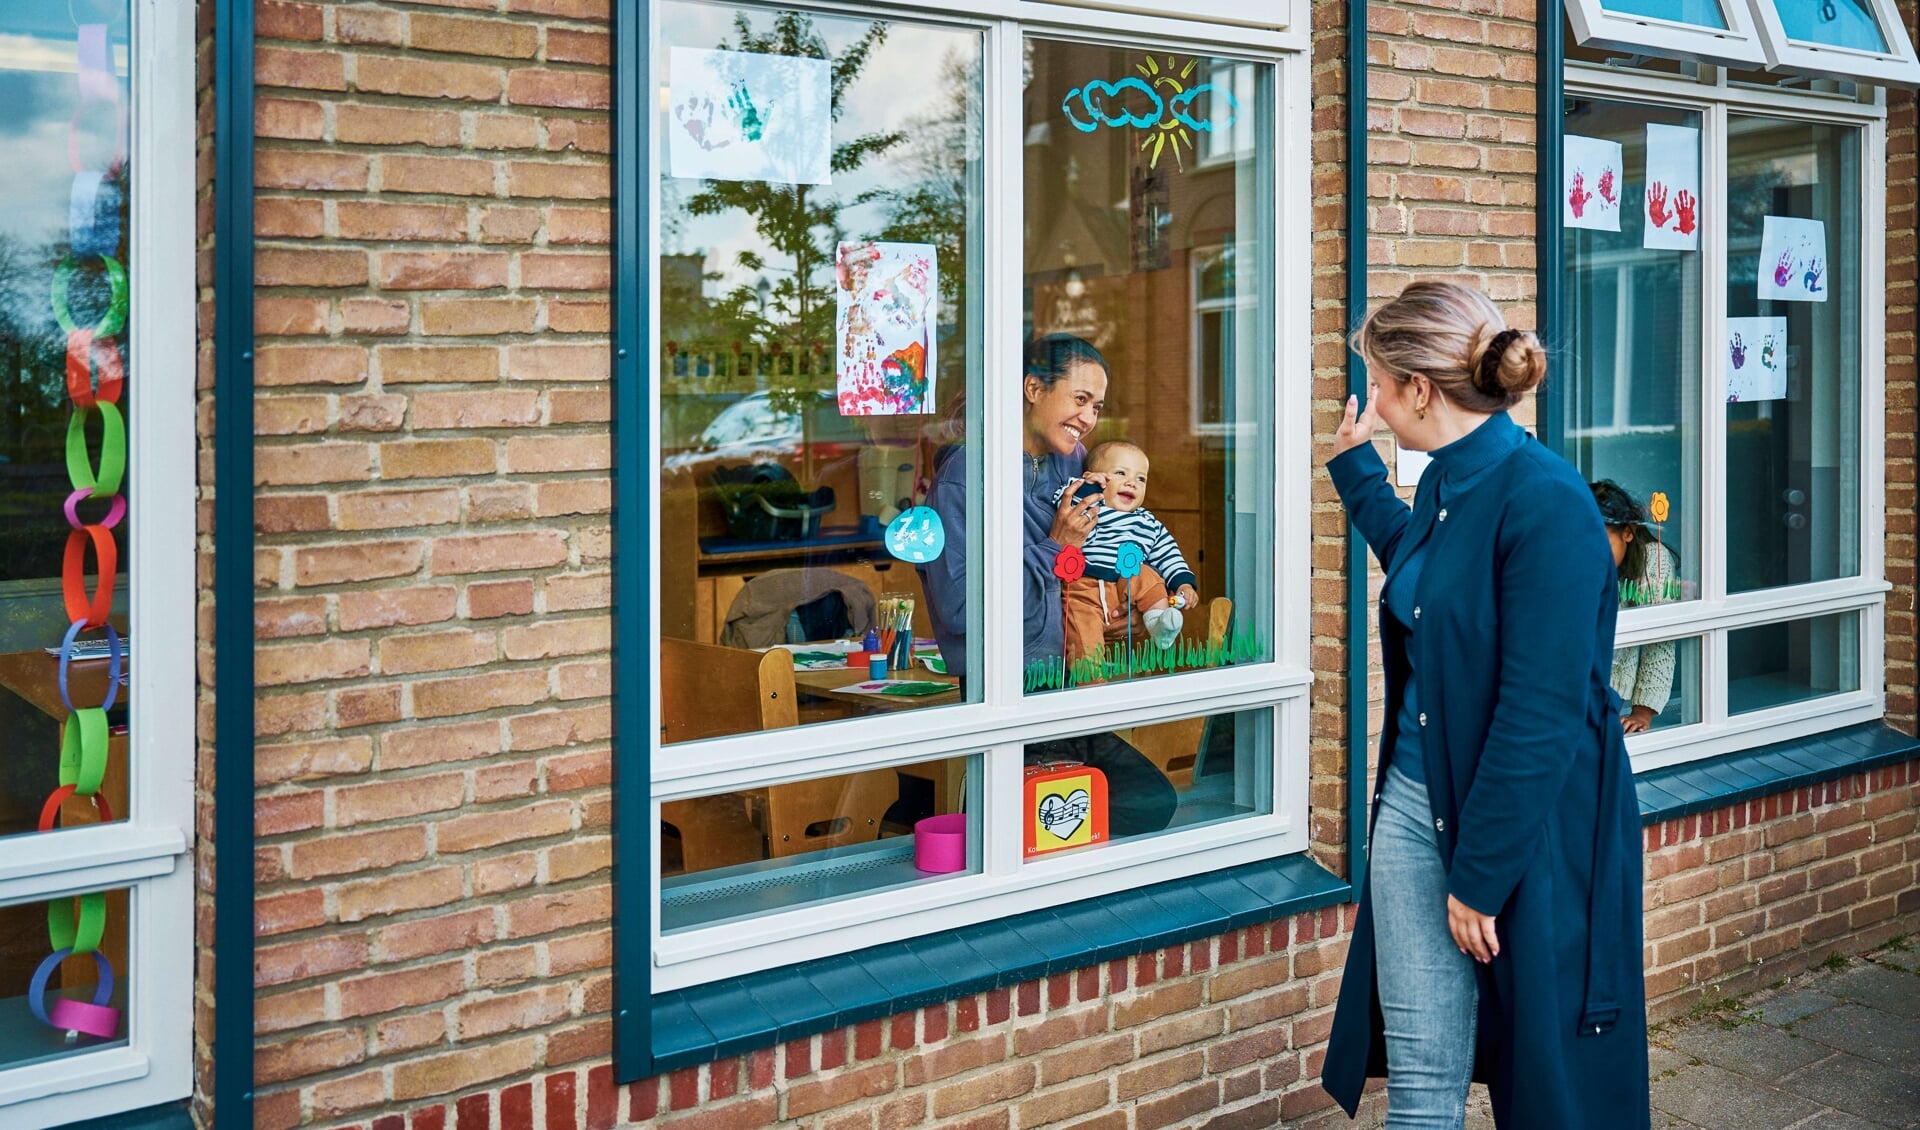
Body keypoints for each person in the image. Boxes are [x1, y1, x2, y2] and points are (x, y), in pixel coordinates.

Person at [1319, 281, 1650, 1129]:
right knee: (1426, 1070)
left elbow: (1538, 713)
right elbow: (1432, 577)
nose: (1377, 406)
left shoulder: (1547, 501)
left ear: (1420, 391)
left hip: (1523, 828)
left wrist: (1480, 876)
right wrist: (1357, 467)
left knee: (1550, 1086)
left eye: (1380, 389)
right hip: (1414, 803)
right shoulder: (1448, 484)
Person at [916, 333, 1178, 837]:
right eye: (1079, 399)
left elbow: (1098, 554)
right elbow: (961, 610)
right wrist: (1056, 546)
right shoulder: (966, 480)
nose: (1088, 418)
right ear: (1033, 388)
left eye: (1097, 407)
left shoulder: (1073, 466)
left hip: (1067, 689)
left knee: (1145, 803)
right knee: (1024, 835)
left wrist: (1122, 598)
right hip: (1009, 694)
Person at [1051, 440, 1200, 662]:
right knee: (1083, 637)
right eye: (1121, 473)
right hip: (1084, 588)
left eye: (1141, 479)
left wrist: (1183, 583)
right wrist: (1088, 485)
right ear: (1096, 477)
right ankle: (1091, 681)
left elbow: (1168, 553)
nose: (1132, 483)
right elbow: (1063, 499)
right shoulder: (1090, 505)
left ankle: (1159, 623)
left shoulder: (1146, 521)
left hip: (1126, 586)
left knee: (1147, 575)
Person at [1592, 480, 1679, 733]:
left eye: (1602, 542)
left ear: (1628, 532)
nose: (1592, 552)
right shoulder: (1575, 557)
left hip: (1611, 696)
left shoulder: (1653, 560)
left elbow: (1660, 641)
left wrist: (1643, 711)